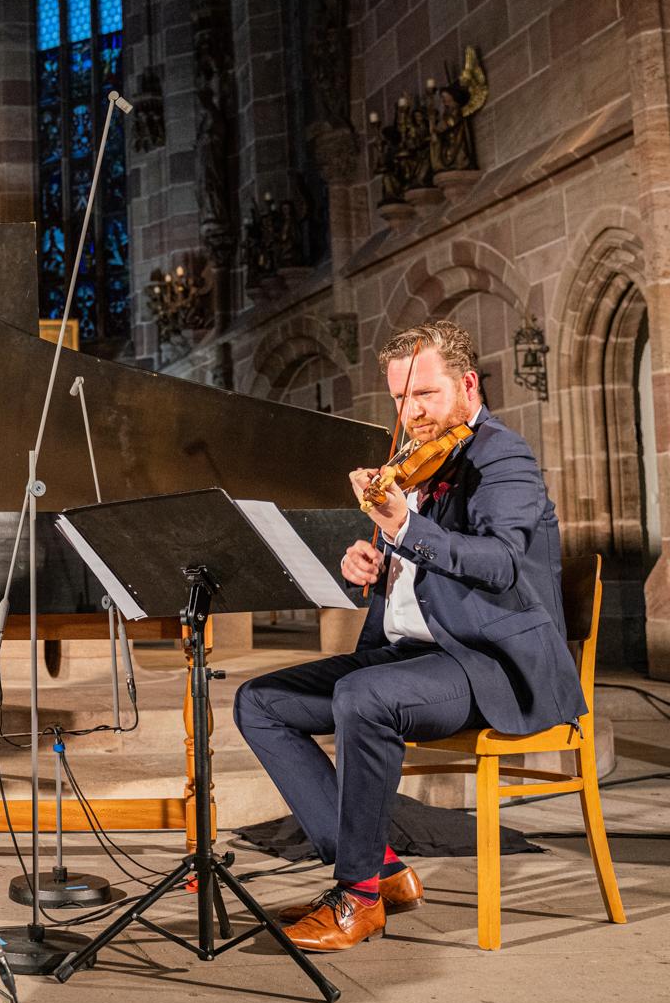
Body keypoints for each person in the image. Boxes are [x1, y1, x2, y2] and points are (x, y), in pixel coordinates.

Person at [233, 319, 585, 951]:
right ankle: (383, 871)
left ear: (467, 385)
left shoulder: (503, 457)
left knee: (364, 698)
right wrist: (369, 560)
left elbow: (502, 564)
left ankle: (357, 896)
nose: (411, 412)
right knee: (260, 703)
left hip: (485, 661)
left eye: (425, 394)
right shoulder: (411, 463)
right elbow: (411, 571)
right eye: (400, 398)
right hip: (413, 655)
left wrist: (405, 530)